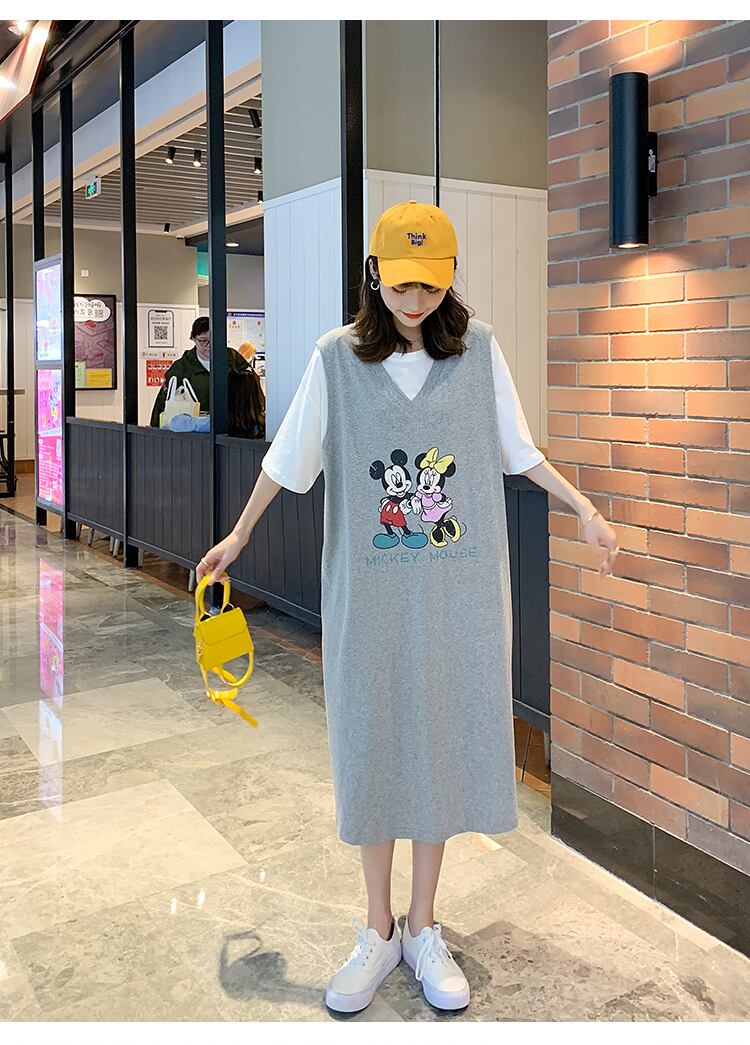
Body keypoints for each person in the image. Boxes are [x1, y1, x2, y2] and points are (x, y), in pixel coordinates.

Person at [196, 201, 619, 1015]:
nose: (415, 300)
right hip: (371, 597)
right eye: (400, 285)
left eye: (429, 284)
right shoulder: (336, 359)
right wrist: (239, 535)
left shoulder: (479, 352)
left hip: (458, 594)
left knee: (440, 746)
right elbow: (289, 460)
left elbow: (519, 449)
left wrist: (586, 510)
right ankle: (378, 925)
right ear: (374, 277)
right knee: (373, 744)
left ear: (449, 278)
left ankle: (424, 925)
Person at [149, 316, 251, 427]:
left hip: (232, 426)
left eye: (214, 340)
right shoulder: (182, 368)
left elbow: (252, 391)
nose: (209, 346)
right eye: (203, 341)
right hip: (194, 430)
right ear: (193, 339)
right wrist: (155, 429)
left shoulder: (233, 359)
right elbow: (162, 402)